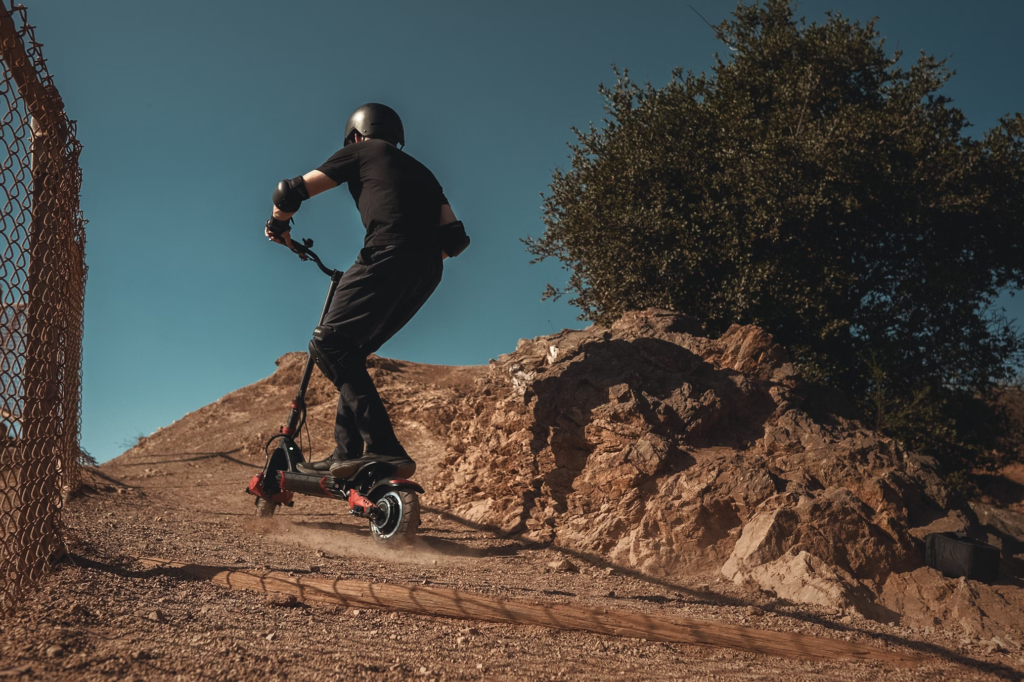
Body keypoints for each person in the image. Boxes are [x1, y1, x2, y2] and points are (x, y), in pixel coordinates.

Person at [264, 103, 469, 480]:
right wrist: (418, 257)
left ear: (356, 135)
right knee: (351, 352)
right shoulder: (425, 173)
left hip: (387, 254)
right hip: (428, 272)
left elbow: (289, 191)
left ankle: (384, 448)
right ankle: (347, 453)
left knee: (327, 343)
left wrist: (278, 226)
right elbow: (455, 238)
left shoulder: (360, 151)